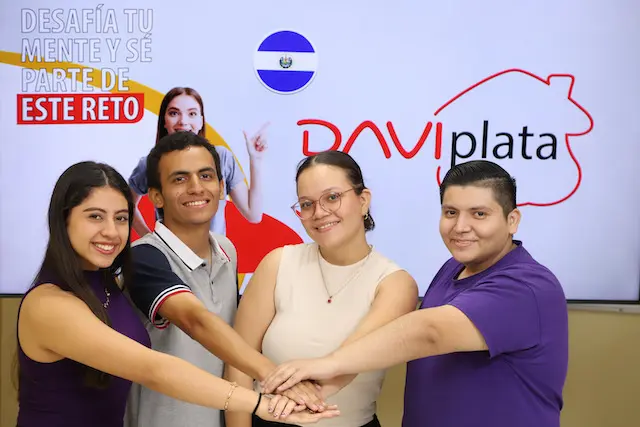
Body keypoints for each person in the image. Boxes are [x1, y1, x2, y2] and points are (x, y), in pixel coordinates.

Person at [14, 161, 339, 427]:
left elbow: (198, 323)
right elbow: (153, 368)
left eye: (121, 218)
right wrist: (260, 403)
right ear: (63, 219)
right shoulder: (49, 304)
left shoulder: (107, 282)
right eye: (95, 216)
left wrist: (272, 377)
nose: (111, 232)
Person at [259, 160, 570, 427]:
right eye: (450, 212)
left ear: (512, 220)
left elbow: (429, 332)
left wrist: (325, 364)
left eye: (479, 214)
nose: (460, 227)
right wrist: (314, 392)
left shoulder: (527, 286)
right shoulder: (453, 268)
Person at [124, 132, 326, 427]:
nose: (196, 188)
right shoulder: (142, 256)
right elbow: (197, 321)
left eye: (206, 176)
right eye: (179, 179)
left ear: (221, 187)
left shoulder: (226, 250)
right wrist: (274, 375)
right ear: (156, 195)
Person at [225, 151, 419, 427]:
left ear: (363, 201)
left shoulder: (394, 282)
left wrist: (291, 395)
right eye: (306, 204)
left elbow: (347, 362)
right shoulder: (278, 263)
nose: (319, 213)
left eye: (332, 197)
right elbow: (238, 363)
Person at [129, 86, 267, 237]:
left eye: (192, 113)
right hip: (169, 258)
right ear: (164, 121)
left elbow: (253, 215)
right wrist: (150, 238)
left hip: (213, 259)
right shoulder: (151, 163)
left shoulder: (221, 158)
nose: (183, 121)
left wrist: (256, 159)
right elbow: (127, 205)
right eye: (174, 113)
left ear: (201, 121)